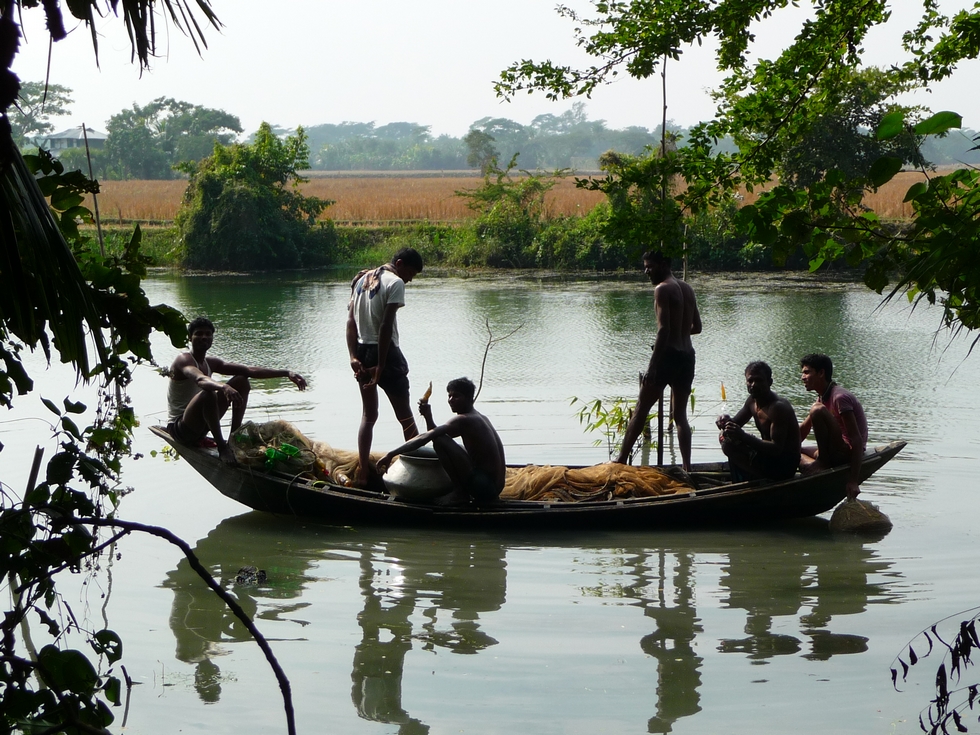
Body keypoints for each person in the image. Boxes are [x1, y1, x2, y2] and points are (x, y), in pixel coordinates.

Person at [166, 317, 307, 465]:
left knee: (241, 380)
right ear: (190, 337)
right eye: (199, 334)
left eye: (208, 334)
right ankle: (222, 448)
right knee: (208, 394)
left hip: (201, 425)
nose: (204, 337)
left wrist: (286, 373)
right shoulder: (183, 360)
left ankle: (234, 438)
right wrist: (223, 386)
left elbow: (249, 370)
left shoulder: (210, 362)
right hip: (181, 429)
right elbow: (200, 379)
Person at [614, 250, 702, 470]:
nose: (646, 271)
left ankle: (621, 462)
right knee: (680, 416)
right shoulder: (687, 289)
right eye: (645, 267)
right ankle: (687, 468)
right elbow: (697, 328)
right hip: (687, 356)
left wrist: (652, 366)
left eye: (650, 267)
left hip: (668, 356)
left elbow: (663, 330)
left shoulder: (662, 289)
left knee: (641, 408)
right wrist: (680, 333)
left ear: (663, 265)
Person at [347, 247, 424, 487]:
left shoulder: (361, 279)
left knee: (368, 416)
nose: (410, 279)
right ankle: (419, 473)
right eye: (410, 272)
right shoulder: (395, 283)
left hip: (362, 351)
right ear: (400, 264)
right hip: (386, 354)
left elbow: (350, 321)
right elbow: (385, 327)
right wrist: (380, 364)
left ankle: (362, 474)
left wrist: (353, 356)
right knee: (406, 419)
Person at [376, 377, 506, 506]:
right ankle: (462, 492)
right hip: (495, 487)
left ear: (468, 398)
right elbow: (435, 433)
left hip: (484, 487)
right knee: (450, 442)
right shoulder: (479, 417)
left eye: (456, 396)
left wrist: (391, 454)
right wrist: (428, 417)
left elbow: (428, 437)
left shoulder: (464, 419)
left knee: (440, 440)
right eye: (449, 396)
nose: (451, 400)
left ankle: (460, 494)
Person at [716, 361, 801, 481]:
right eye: (750, 381)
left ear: (769, 382)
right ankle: (751, 476)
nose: (753, 385)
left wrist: (743, 436)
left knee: (729, 445)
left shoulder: (778, 408)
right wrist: (724, 421)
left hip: (783, 465)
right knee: (726, 437)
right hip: (768, 457)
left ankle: (760, 478)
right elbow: (735, 423)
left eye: (759, 380)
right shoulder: (752, 401)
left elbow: (777, 448)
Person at [798, 353, 868, 498]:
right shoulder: (822, 397)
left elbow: (856, 439)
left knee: (816, 409)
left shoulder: (839, 397)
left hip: (847, 452)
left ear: (821, 373)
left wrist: (854, 481)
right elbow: (802, 431)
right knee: (793, 453)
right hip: (834, 450)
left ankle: (822, 462)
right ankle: (816, 464)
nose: (802, 377)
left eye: (807, 372)